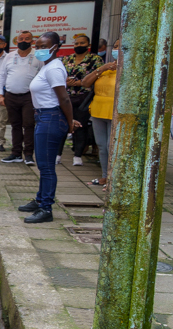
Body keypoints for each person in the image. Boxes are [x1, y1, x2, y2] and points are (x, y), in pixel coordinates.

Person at [16, 32, 78, 224]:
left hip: (50, 117)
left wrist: (69, 123)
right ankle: (40, 199)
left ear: (56, 47)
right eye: (38, 45)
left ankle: (46, 208)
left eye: (45, 46)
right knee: (43, 164)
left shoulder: (54, 69)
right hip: (44, 116)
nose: (40, 49)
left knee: (46, 167)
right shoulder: (47, 66)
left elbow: (64, 98)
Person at [0, 31, 42, 165]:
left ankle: (28, 154)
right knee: (15, 125)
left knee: (28, 125)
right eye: (21, 39)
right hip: (11, 95)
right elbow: (1, 76)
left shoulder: (38, 57)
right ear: (16, 42)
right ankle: (16, 153)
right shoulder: (10, 56)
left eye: (27, 39)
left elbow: (43, 75)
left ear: (32, 41)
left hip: (29, 96)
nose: (23, 41)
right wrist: (0, 95)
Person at [81, 38, 120, 189]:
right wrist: (101, 69)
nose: (116, 50)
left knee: (112, 146)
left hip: (115, 113)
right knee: (102, 146)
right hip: (98, 111)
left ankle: (114, 179)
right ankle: (105, 176)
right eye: (115, 46)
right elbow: (85, 83)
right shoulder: (106, 68)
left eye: (120, 47)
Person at [60, 33, 103, 166]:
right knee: (62, 124)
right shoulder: (67, 59)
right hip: (67, 96)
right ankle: (57, 154)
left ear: (88, 45)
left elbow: (98, 77)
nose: (79, 46)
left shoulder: (95, 60)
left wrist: (79, 83)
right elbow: (59, 74)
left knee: (80, 126)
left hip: (84, 97)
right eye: (76, 43)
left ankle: (77, 155)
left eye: (82, 43)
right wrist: (66, 81)